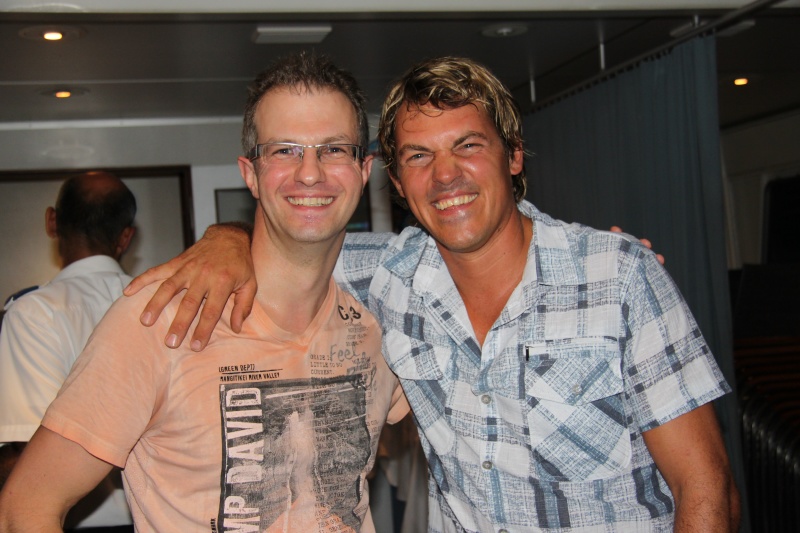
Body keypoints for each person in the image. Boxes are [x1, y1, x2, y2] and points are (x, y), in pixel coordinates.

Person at [124, 56, 740, 531]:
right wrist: (226, 238)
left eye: (467, 145)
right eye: (419, 156)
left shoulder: (617, 276)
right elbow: (289, 242)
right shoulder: (389, 277)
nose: (445, 175)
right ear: (395, 182)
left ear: (514, 156)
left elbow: (707, 489)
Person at [0, 52, 408, 532]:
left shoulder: (383, 321)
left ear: (364, 169)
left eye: (334, 149)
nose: (310, 172)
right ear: (250, 173)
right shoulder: (159, 319)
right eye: (284, 150)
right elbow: (24, 506)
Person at [0, 171, 135, 532]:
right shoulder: (165, 302)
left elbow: (27, 450)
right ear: (126, 236)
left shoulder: (34, 312)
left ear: (52, 222)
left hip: (69, 520)